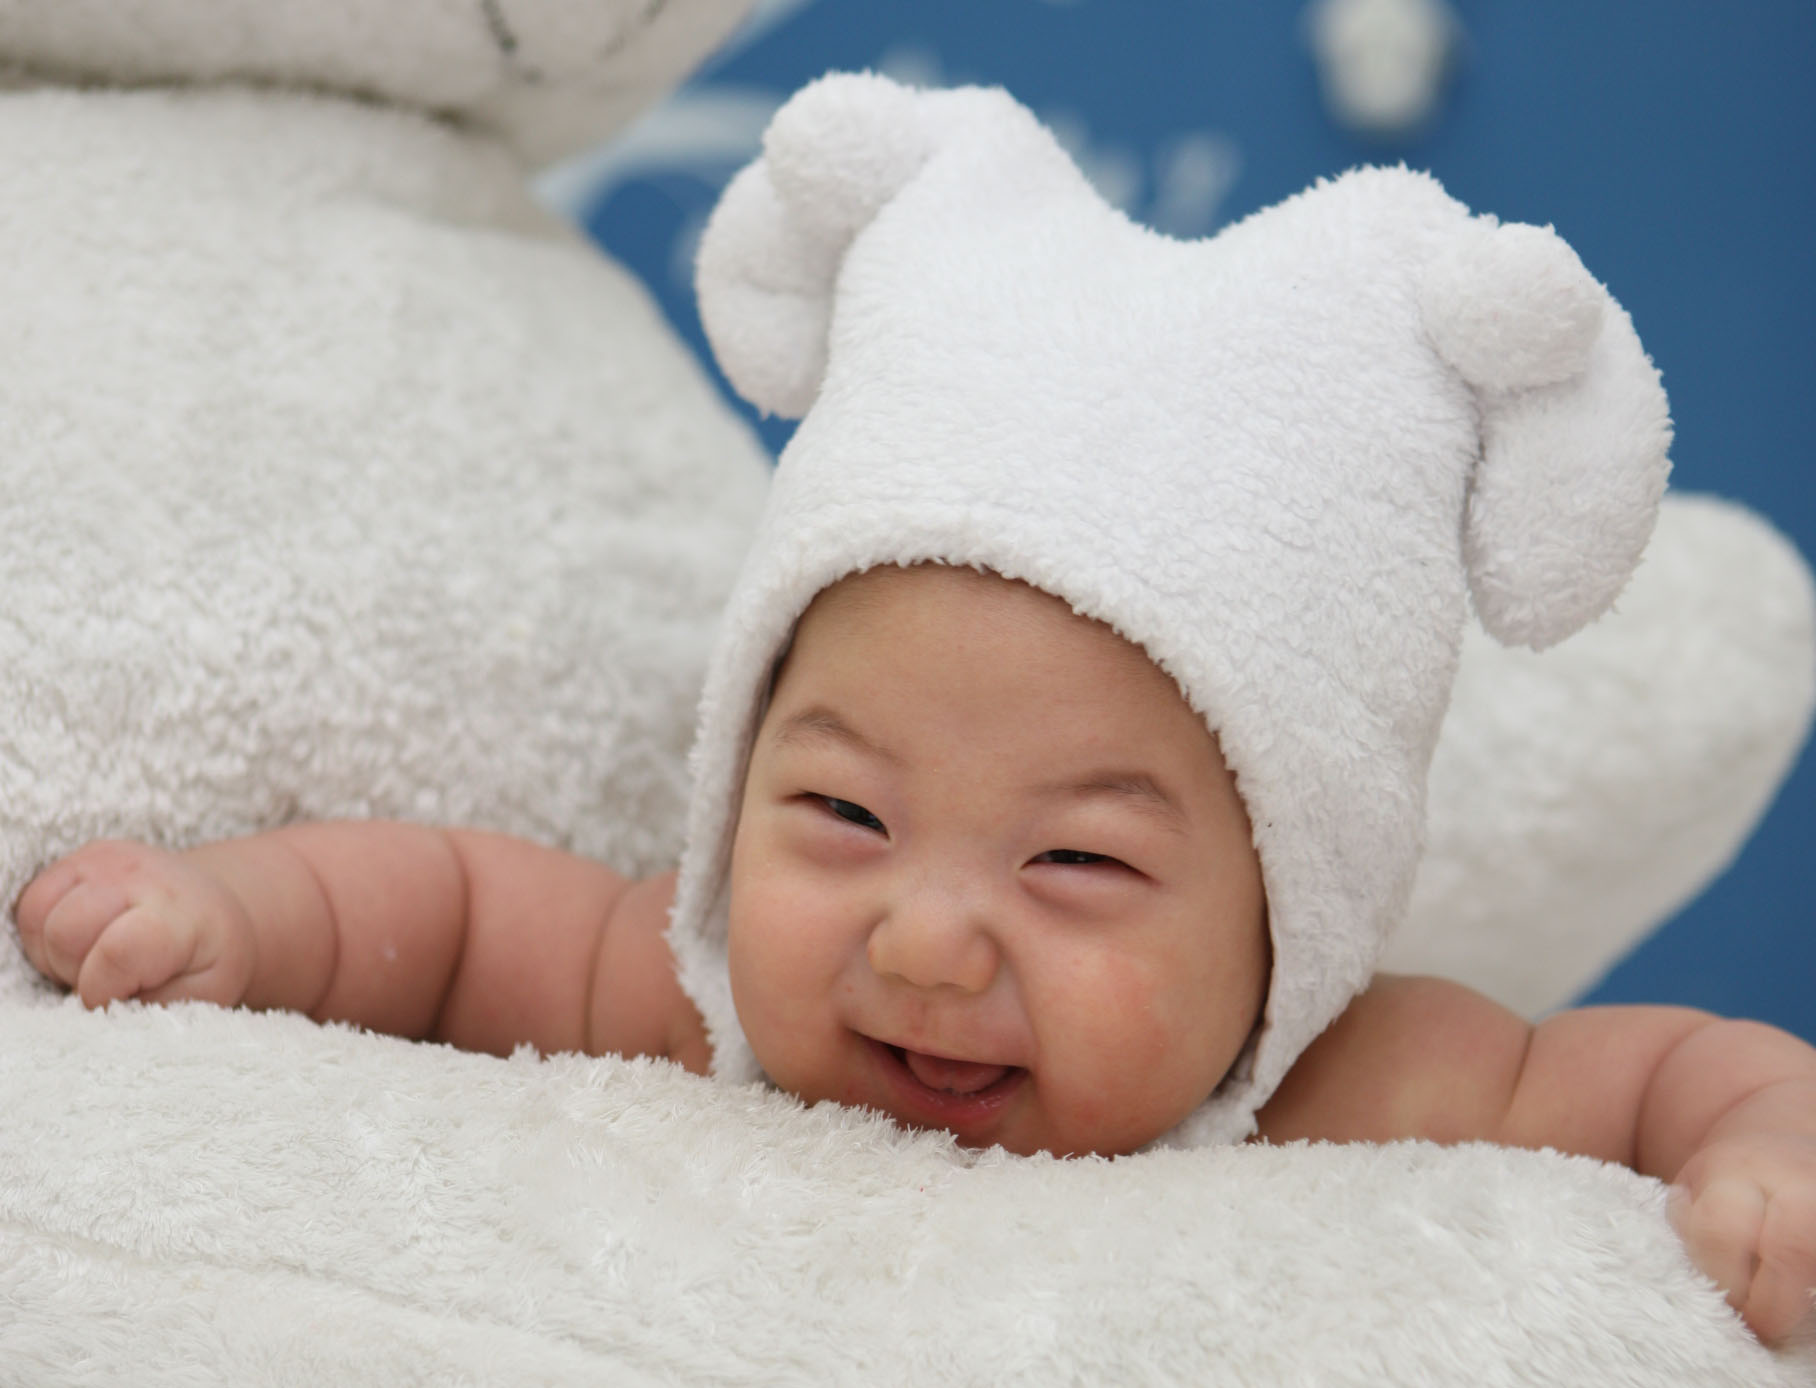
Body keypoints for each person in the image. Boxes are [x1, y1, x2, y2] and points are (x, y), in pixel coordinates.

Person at [14, 72, 1816, 1344]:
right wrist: (234, 915)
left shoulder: (1352, 1082)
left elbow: (1678, 1071)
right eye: (842, 816)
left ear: (1293, 911)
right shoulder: (700, 1003)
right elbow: (459, 911)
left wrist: (1770, 1155)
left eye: (1077, 864)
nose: (926, 943)